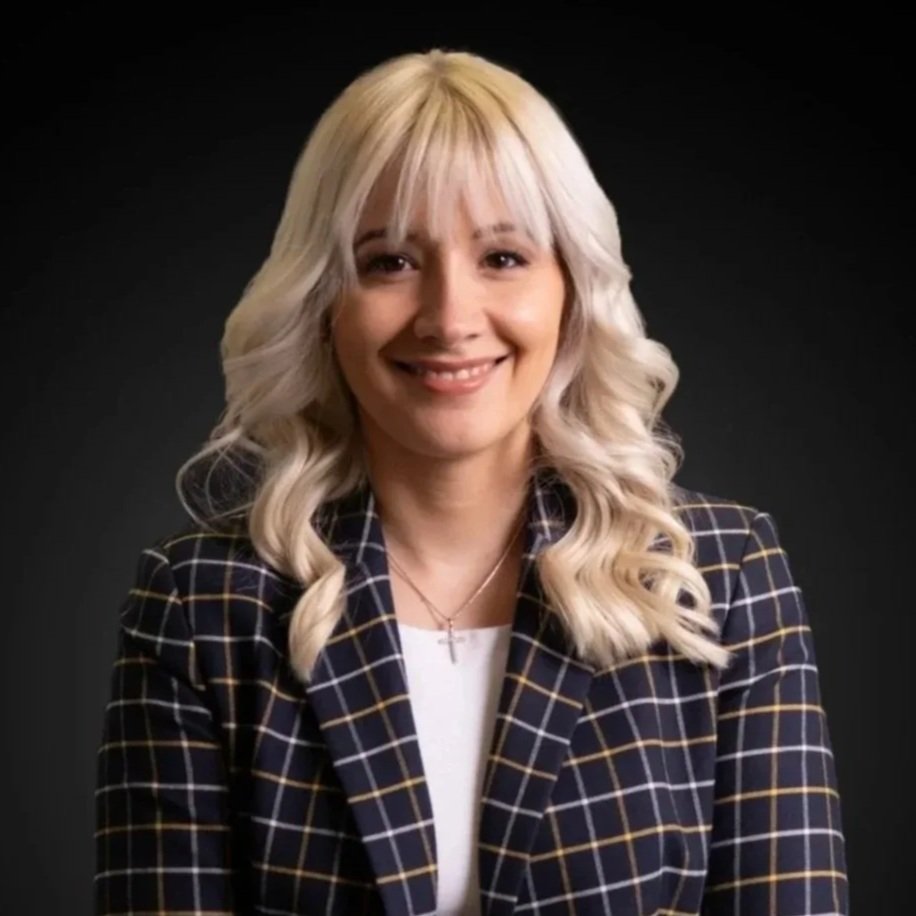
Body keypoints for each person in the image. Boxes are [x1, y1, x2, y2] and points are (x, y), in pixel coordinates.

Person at [94, 48, 849, 915]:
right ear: (321, 301)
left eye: (502, 258)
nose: (451, 320)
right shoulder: (201, 606)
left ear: (571, 287)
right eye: (389, 262)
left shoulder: (717, 576)